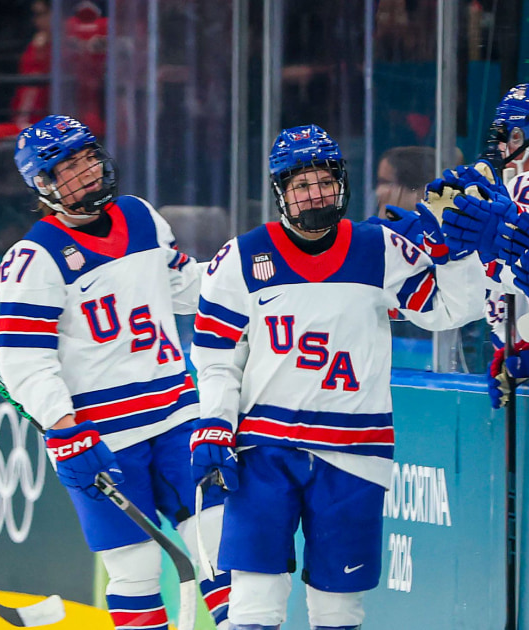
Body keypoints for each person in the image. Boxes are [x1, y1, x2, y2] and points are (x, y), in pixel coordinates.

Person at [191, 124, 484, 629]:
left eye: (325, 181)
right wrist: (215, 422)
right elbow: (216, 356)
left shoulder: (380, 249)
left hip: (354, 452)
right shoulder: (240, 258)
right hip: (265, 448)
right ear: (281, 192)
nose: (316, 194)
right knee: (254, 601)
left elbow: (453, 310)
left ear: (342, 183)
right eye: (302, 185)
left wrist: (455, 255)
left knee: (339, 607)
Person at [0, 115, 231, 629]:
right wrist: (63, 429)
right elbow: (22, 359)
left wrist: (254, 285)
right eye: (68, 167)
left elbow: (186, 288)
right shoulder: (33, 259)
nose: (85, 172)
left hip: (178, 416)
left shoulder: (141, 217)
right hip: (101, 436)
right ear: (43, 184)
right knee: (136, 570)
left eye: (87, 158)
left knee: (220, 549)